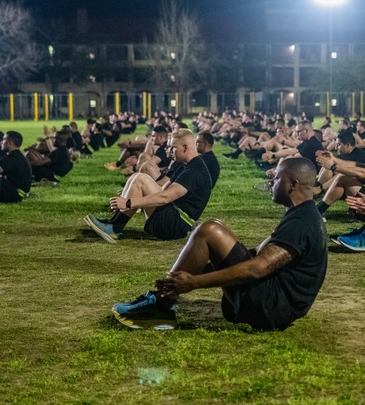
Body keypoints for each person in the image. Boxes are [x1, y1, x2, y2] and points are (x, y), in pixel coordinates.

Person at [111, 157, 327, 331]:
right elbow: (259, 253)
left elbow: (257, 268)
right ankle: (161, 298)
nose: (271, 183)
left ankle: (160, 305)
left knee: (210, 230)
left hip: (273, 308)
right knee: (214, 227)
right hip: (275, 301)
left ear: (293, 185)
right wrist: (201, 266)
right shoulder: (303, 213)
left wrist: (195, 282)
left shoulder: (302, 222)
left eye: (277, 178)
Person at [85, 129, 213, 243]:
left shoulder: (195, 170)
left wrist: (129, 203)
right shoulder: (184, 165)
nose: (169, 151)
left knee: (141, 179)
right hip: (172, 216)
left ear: (185, 148)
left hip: (176, 225)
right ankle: (113, 222)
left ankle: (114, 228)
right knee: (136, 177)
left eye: (173, 147)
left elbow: (165, 197)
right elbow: (162, 189)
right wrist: (133, 195)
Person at [0, 131, 33, 203]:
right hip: (16, 192)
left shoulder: (14, 157)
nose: (1, 142)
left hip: (15, 194)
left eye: (4, 139)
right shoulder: (15, 155)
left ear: (10, 143)